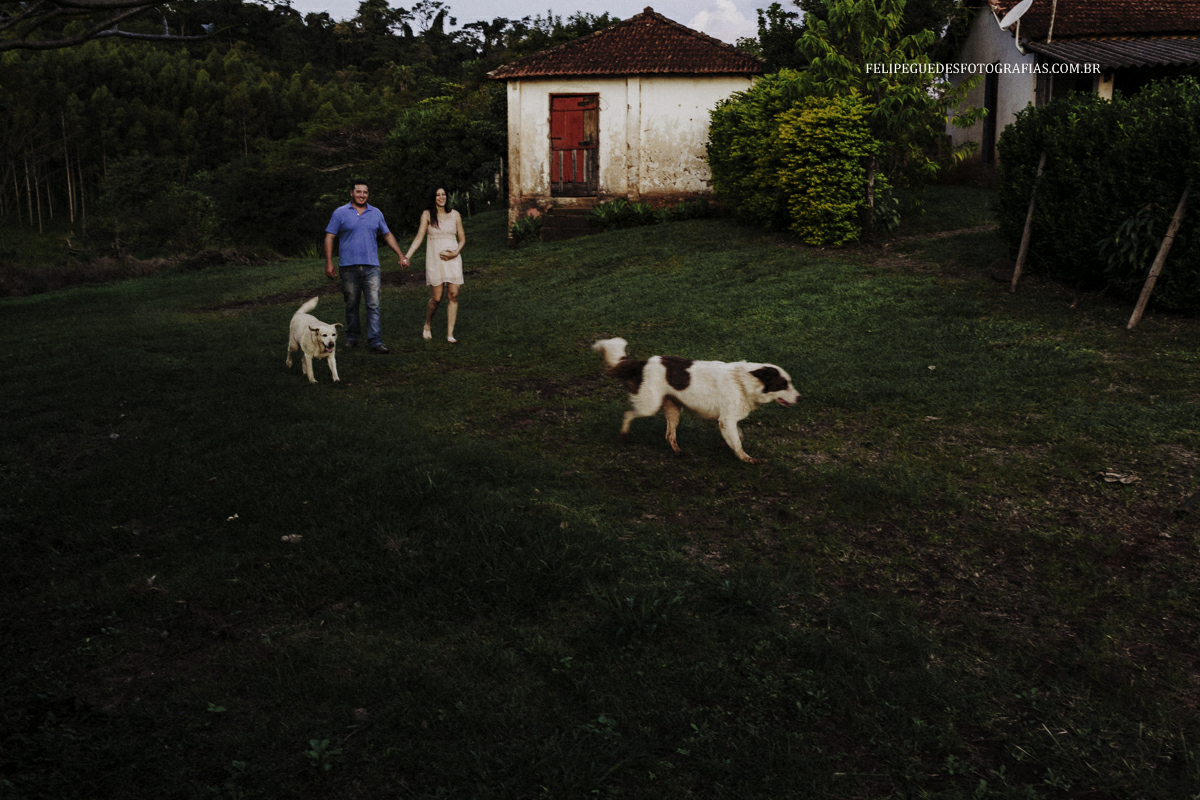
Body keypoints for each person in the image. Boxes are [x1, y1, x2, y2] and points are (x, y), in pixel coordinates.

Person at [324, 182, 408, 354]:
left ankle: (375, 341)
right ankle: (352, 338)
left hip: (372, 267)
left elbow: (387, 234)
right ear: (351, 193)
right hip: (348, 267)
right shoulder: (340, 213)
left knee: (373, 304)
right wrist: (329, 262)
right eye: (358, 192)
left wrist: (400, 254)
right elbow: (330, 237)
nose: (362, 195)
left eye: (365, 192)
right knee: (351, 304)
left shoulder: (376, 213)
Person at [404, 187, 466, 343]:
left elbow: (462, 239)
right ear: (434, 198)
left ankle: (450, 334)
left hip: (453, 260)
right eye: (438, 195)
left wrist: (455, 252)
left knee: (453, 294)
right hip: (435, 260)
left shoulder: (455, 215)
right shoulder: (427, 215)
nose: (441, 197)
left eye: (443, 194)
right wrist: (407, 256)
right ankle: (427, 324)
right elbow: (419, 237)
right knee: (436, 298)